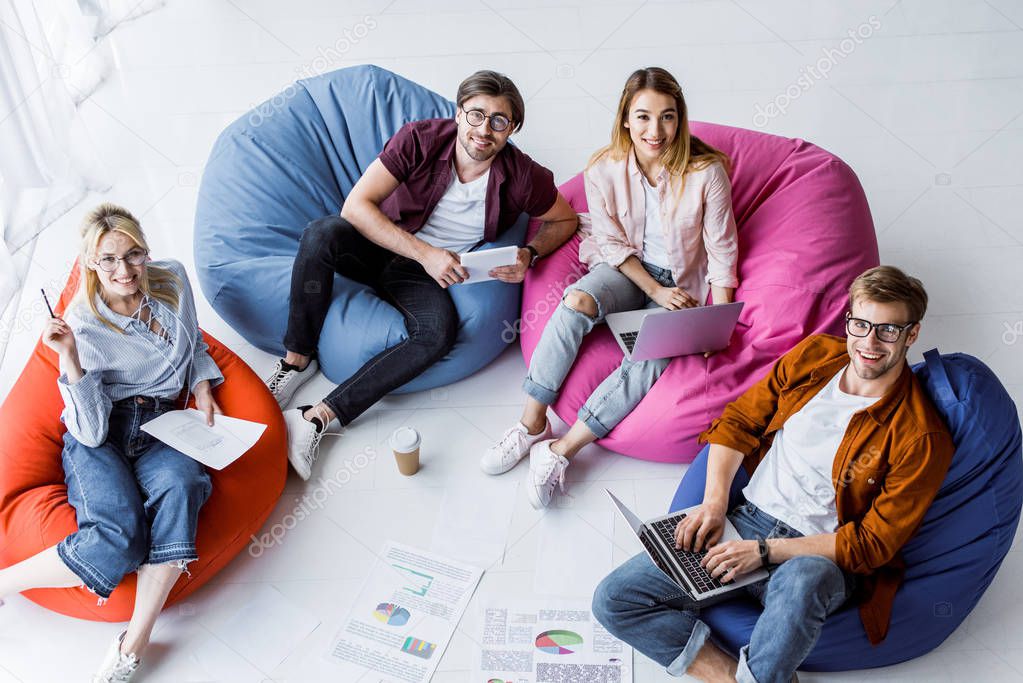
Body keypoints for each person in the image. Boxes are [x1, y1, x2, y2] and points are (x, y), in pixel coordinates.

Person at [592, 266, 955, 682]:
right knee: (615, 600)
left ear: (912, 334)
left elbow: (871, 545)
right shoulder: (816, 356)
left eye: (888, 331)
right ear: (848, 321)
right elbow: (739, 423)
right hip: (742, 522)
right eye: (861, 324)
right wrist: (714, 504)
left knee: (804, 580)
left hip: (816, 556)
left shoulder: (921, 434)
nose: (869, 342)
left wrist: (766, 552)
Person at [264, 69, 578, 481]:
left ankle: (317, 418)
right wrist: (426, 252)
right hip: (380, 243)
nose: (484, 130)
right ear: (458, 112)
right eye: (476, 115)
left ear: (512, 127)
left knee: (437, 332)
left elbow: (565, 219)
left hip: (422, 276)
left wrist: (530, 254)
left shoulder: (522, 175)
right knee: (321, 234)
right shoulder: (420, 138)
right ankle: (296, 362)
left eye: (499, 121)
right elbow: (356, 207)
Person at [480, 67, 739, 509]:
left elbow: (722, 250)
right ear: (625, 118)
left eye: (667, 117)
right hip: (624, 268)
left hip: (681, 284)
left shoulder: (707, 172)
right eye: (642, 117)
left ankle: (562, 450)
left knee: (655, 351)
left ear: (681, 119)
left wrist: (717, 321)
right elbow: (614, 244)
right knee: (575, 300)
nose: (655, 131)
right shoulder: (603, 167)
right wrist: (654, 293)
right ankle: (531, 423)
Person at [0, 204, 221, 682]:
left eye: (133, 254)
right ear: (90, 263)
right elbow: (91, 429)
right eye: (108, 260)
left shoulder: (173, 280)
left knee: (183, 486)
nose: (125, 271)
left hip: (161, 422)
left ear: (145, 250)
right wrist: (70, 359)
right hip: (99, 430)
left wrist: (202, 385)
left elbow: (195, 342)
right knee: (119, 540)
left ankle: (133, 644)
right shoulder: (83, 323)